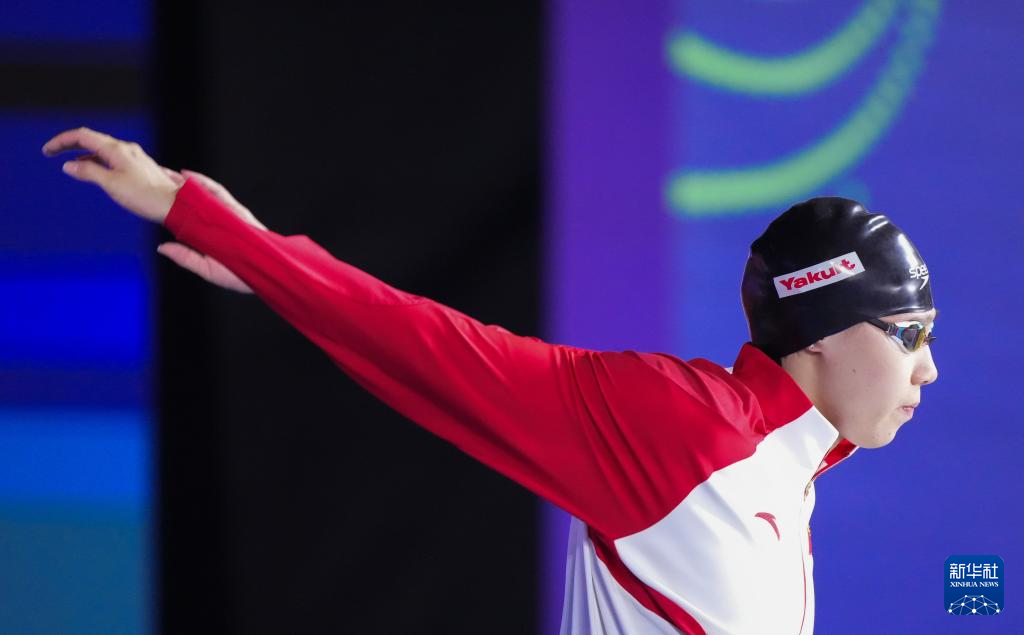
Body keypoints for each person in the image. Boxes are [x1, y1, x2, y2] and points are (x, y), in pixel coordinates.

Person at [42, 127, 938, 634]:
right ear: (824, 331)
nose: (927, 367)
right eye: (909, 334)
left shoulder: (785, 476)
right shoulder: (686, 431)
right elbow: (436, 350)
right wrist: (241, 241)